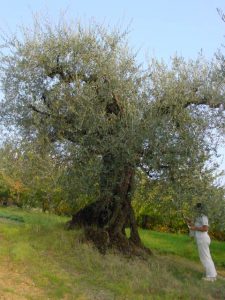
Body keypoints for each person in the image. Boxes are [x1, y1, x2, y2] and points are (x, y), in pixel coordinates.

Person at [186, 203, 217, 282]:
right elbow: (197, 226)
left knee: (205, 258)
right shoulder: (198, 217)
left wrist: (194, 227)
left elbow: (205, 228)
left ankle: (210, 277)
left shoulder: (203, 217)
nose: (195, 210)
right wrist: (190, 223)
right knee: (206, 257)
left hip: (203, 239)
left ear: (199, 209)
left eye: (196, 209)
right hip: (200, 239)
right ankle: (213, 274)